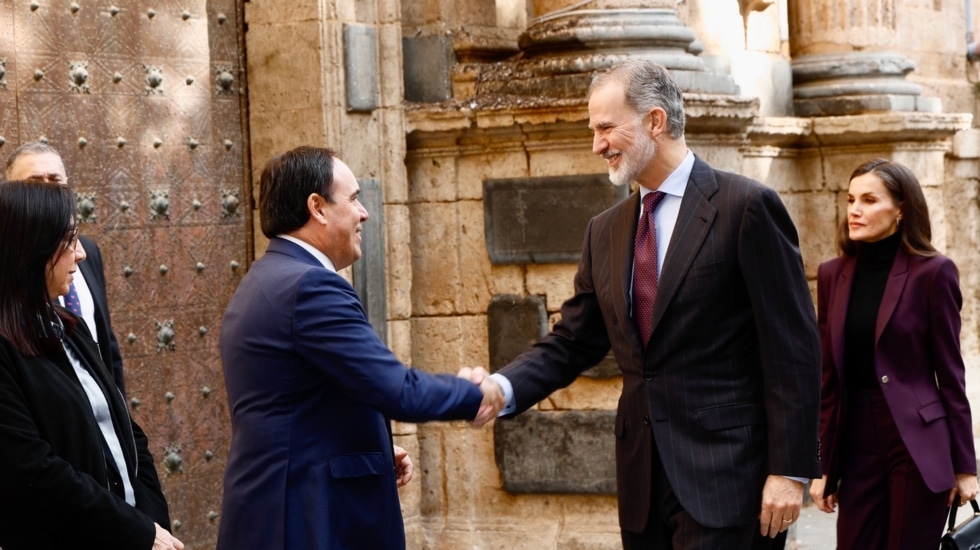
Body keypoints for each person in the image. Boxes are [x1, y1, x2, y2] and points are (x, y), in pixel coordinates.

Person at [471, 59, 822, 549]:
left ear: (655, 121)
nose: (597, 145)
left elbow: (793, 350)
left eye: (606, 127)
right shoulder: (604, 231)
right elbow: (573, 341)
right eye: (594, 131)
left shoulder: (746, 207)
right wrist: (501, 387)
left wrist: (789, 470)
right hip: (643, 486)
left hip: (729, 482)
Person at [216, 145, 502, 550]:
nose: (364, 213)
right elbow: (397, 390)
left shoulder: (266, 278)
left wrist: (373, 451)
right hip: (305, 524)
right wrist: (476, 394)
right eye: (353, 199)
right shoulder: (310, 287)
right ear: (317, 207)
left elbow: (296, 408)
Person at [0, 180, 181, 550]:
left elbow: (126, 431)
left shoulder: (70, 327)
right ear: (31, 248)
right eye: (69, 240)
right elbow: (33, 471)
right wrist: (136, 531)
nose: (81, 254)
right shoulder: (5, 349)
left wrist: (152, 522)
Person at [808, 159, 978, 549]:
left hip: (916, 443)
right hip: (855, 443)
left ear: (901, 209)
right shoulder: (832, 274)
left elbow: (951, 376)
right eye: (851, 199)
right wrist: (822, 465)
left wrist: (965, 466)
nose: (854, 210)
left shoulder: (933, 272)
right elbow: (828, 381)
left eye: (869, 200)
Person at [5, 143, 127, 395]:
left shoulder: (88, 251)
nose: (49, 190)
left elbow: (104, 337)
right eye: (35, 182)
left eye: (55, 180)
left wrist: (117, 406)